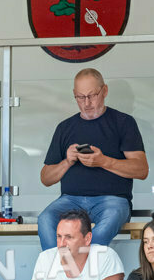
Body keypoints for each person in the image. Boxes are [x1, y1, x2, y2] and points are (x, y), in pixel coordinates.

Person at [38, 68, 148, 249]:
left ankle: (76, 263)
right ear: (74, 94)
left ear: (104, 91)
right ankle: (64, 265)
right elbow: (45, 178)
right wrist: (67, 162)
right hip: (70, 200)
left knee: (109, 220)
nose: (87, 103)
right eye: (80, 97)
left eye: (92, 95)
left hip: (112, 200)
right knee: (45, 219)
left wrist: (103, 161)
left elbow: (142, 170)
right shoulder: (65, 128)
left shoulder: (123, 122)